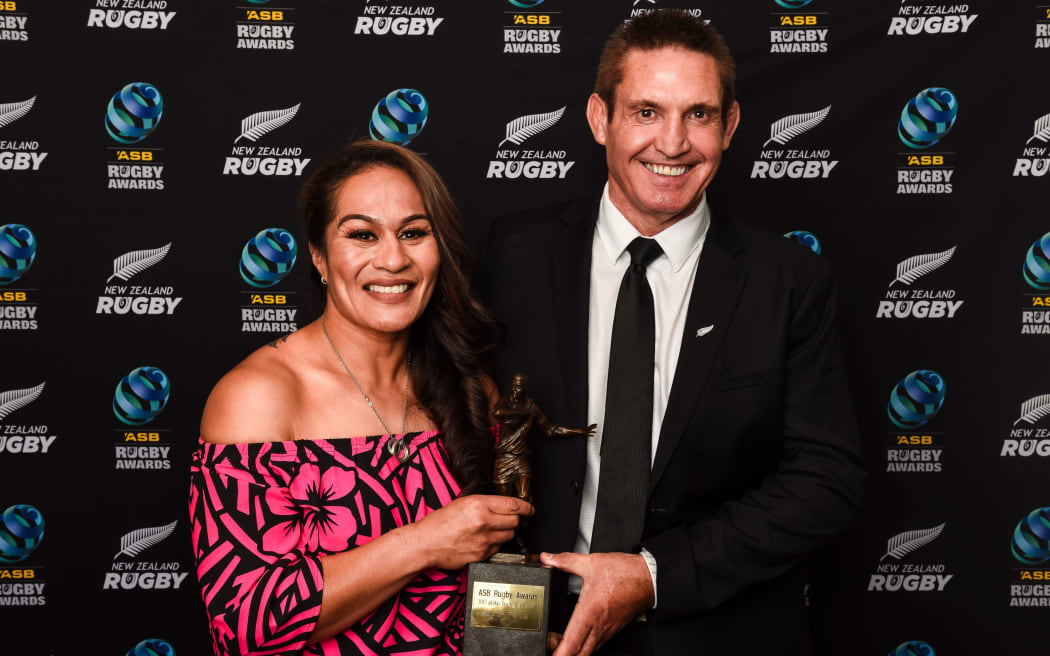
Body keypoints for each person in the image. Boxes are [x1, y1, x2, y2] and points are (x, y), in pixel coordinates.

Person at [476, 10, 865, 656]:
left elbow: (827, 478)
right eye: (648, 112)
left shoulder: (788, 281)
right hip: (529, 628)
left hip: (711, 630)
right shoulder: (511, 254)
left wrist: (654, 576)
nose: (674, 143)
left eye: (700, 115)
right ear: (601, 118)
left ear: (731, 125)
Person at [189, 140, 533, 655]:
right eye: (362, 235)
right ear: (319, 256)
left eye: (414, 233)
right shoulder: (258, 397)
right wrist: (423, 542)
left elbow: (495, 583)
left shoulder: (471, 387)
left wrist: (518, 642)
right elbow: (245, 625)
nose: (393, 258)